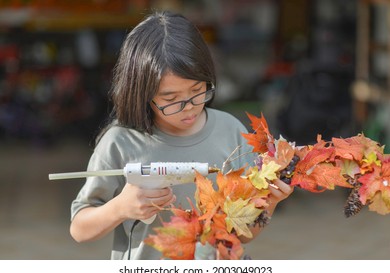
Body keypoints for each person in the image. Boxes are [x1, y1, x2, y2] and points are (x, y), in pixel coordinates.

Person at [70, 10, 293, 260]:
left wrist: (270, 202)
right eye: (171, 98)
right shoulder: (121, 143)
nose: (188, 106)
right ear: (141, 92)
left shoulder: (231, 131)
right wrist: (119, 208)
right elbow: (79, 229)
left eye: (197, 91)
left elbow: (242, 234)